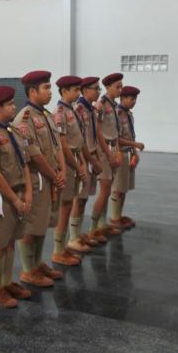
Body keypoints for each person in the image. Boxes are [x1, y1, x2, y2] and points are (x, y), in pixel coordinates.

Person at [12, 71, 66, 288]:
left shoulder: (47, 115)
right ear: (33, 91)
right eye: (46, 88)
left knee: (44, 222)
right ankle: (28, 270)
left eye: (50, 87)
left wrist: (62, 170)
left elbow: (57, 145)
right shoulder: (24, 119)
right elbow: (34, 154)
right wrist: (54, 175)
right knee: (32, 225)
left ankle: (37, 262)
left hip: (52, 177)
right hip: (38, 179)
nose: (50, 92)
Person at [0, 85, 33, 308]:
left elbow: (25, 162)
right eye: (10, 104)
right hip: (4, 198)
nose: (14, 107)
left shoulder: (12, 131)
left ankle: (6, 282)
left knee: (10, 241)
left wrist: (28, 192)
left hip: (19, 192)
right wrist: (14, 199)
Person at [52, 75, 90, 264]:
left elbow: (78, 141)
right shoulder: (59, 113)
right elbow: (63, 144)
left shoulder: (72, 110)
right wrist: (76, 166)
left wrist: (82, 162)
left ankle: (65, 245)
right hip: (66, 163)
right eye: (75, 90)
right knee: (65, 206)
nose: (78, 93)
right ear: (64, 91)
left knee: (69, 204)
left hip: (75, 159)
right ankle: (58, 250)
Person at [70, 77, 105, 248]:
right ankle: (73, 238)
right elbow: (80, 140)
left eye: (99, 89)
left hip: (91, 155)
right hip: (83, 158)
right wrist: (90, 160)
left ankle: (78, 234)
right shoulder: (79, 109)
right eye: (95, 89)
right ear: (85, 91)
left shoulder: (91, 109)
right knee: (78, 199)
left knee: (83, 199)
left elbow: (92, 136)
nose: (98, 92)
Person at [89, 73, 124, 240]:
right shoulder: (101, 105)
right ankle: (93, 229)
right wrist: (109, 154)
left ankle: (102, 225)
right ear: (108, 87)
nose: (120, 89)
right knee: (104, 190)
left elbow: (115, 131)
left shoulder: (114, 105)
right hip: (103, 151)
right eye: (117, 86)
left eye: (121, 86)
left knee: (108, 190)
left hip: (111, 147)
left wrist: (117, 151)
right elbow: (97, 132)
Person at [109, 86, 145, 229]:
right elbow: (116, 138)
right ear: (123, 98)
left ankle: (118, 215)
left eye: (135, 99)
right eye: (132, 99)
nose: (134, 101)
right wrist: (134, 144)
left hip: (128, 153)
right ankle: (114, 219)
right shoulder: (117, 114)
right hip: (119, 153)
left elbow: (131, 135)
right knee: (117, 188)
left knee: (124, 188)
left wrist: (135, 152)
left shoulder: (128, 114)